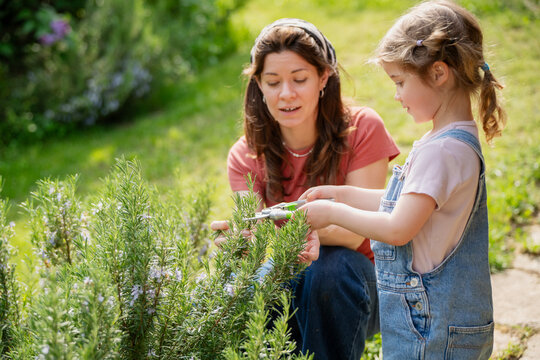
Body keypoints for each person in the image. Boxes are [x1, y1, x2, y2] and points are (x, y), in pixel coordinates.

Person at [299, 1, 507, 359]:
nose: (395, 95)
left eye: (399, 82)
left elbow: (398, 228)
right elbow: (405, 204)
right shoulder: (448, 142)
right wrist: (341, 194)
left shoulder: (443, 152)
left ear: (439, 73)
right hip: (442, 322)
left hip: (431, 328)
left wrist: (330, 214)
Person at [210, 18, 400, 359]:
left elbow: (352, 236)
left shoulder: (362, 128)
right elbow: (254, 236)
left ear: (323, 77)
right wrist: (240, 240)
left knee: (331, 265)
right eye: (273, 82)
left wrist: (274, 230)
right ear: (259, 85)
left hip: (359, 285)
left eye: (299, 79)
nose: (286, 94)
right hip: (292, 280)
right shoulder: (245, 154)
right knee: (246, 288)